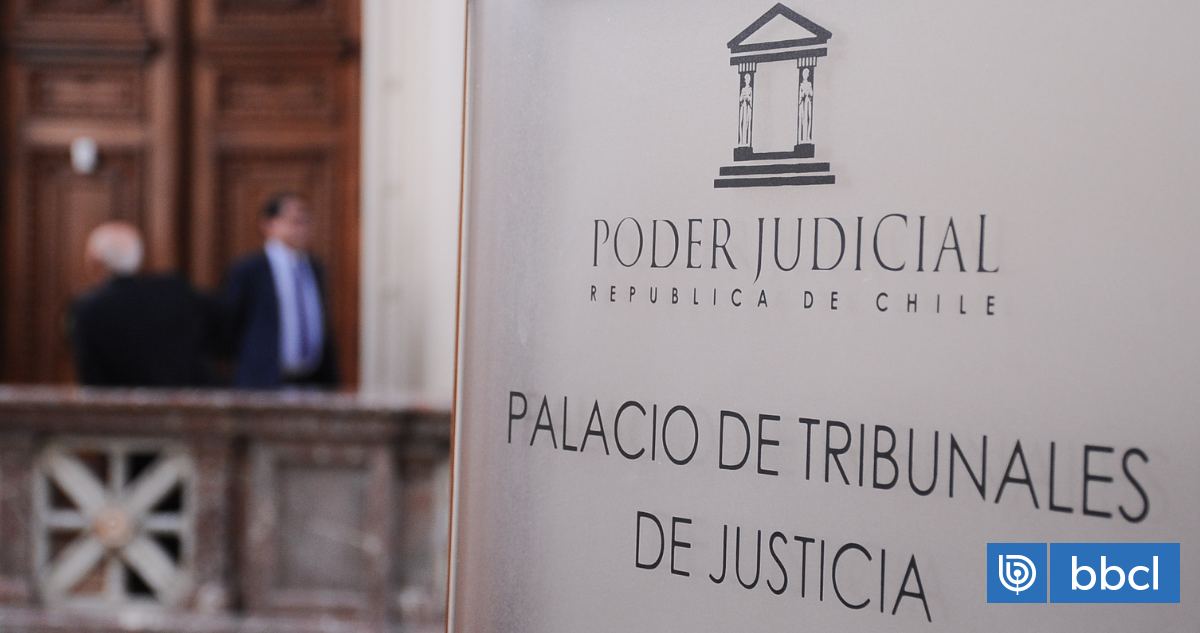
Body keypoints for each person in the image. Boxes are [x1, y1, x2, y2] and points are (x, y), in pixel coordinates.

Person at [69, 222, 223, 387]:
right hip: (194, 398)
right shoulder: (175, 290)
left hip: (125, 401)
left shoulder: (87, 310)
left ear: (94, 261)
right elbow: (223, 329)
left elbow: (93, 381)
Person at [224, 193, 338, 389]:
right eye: (295, 221)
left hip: (312, 383)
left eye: (306, 222)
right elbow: (230, 326)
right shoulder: (249, 270)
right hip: (263, 383)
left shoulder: (315, 268)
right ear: (269, 224)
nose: (302, 228)